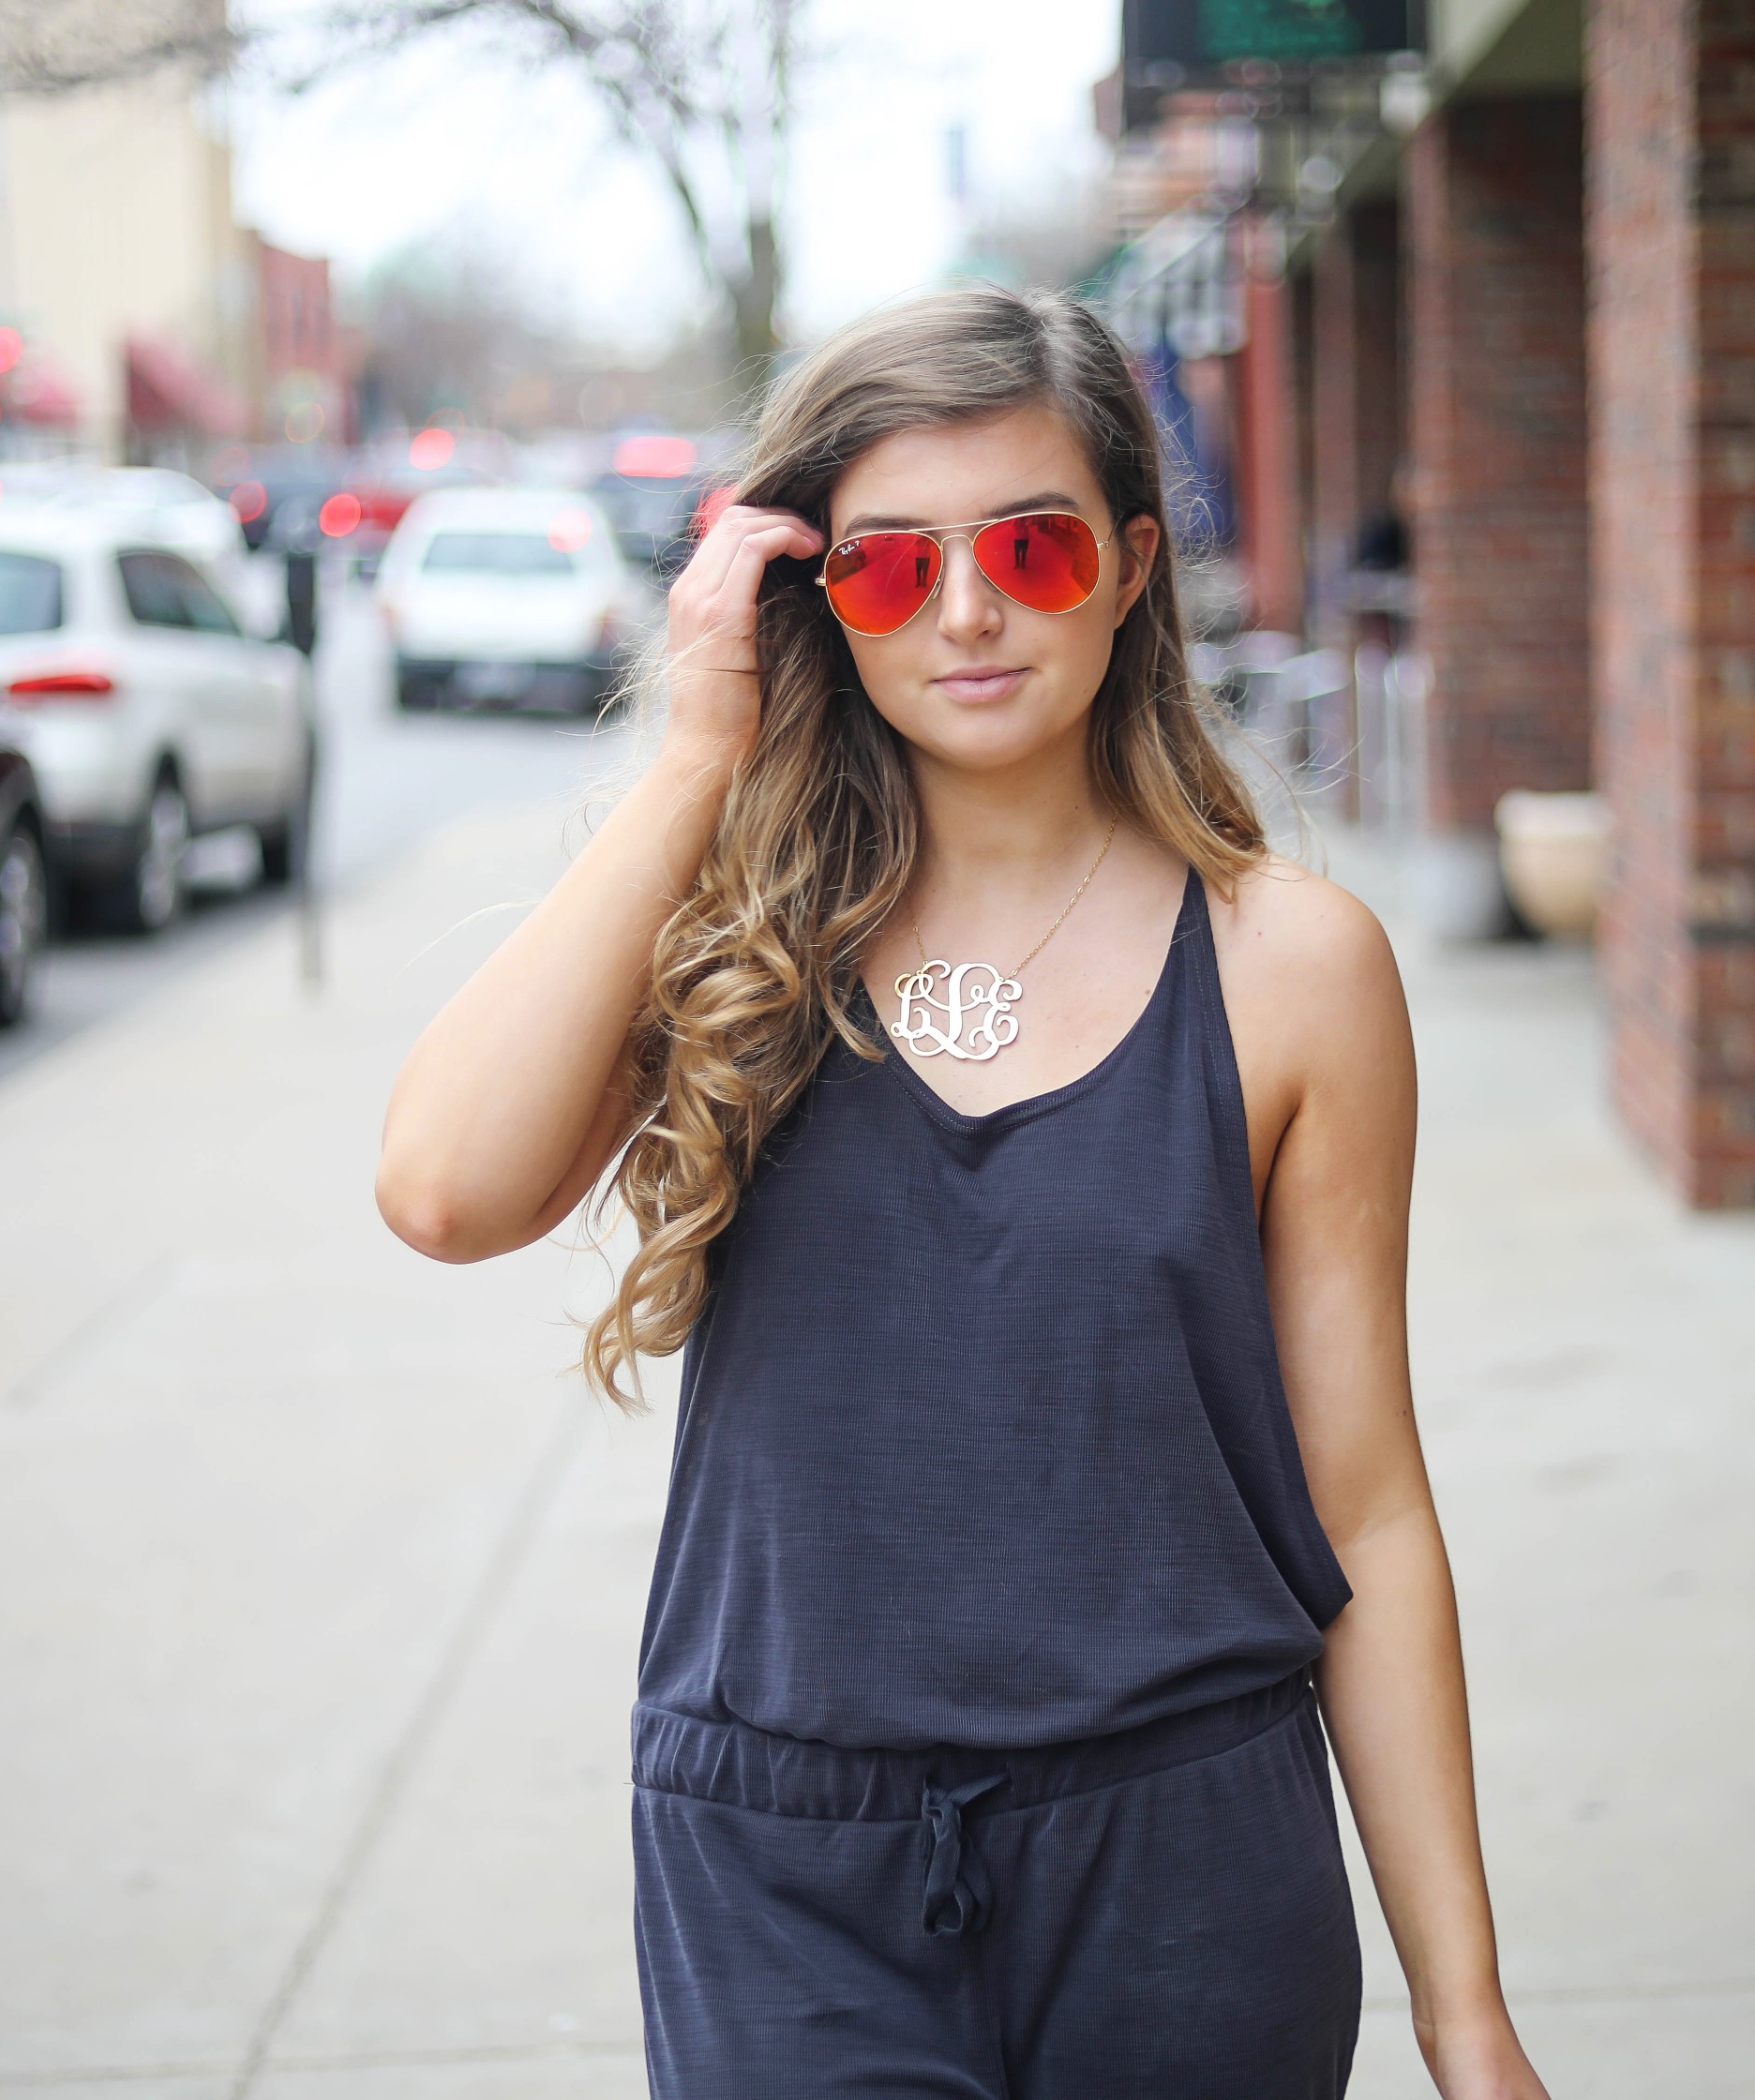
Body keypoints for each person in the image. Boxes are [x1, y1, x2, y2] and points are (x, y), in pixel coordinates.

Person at [378, 284, 1551, 2100]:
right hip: (782, 1860)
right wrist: (698, 753)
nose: (972, 607)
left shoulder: (1290, 967)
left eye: (1030, 541)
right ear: (809, 599)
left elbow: (1368, 1510)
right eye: (887, 568)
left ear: (1134, 562)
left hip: (1190, 1851)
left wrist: (1465, 2017)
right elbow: (447, 1192)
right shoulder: (725, 939)